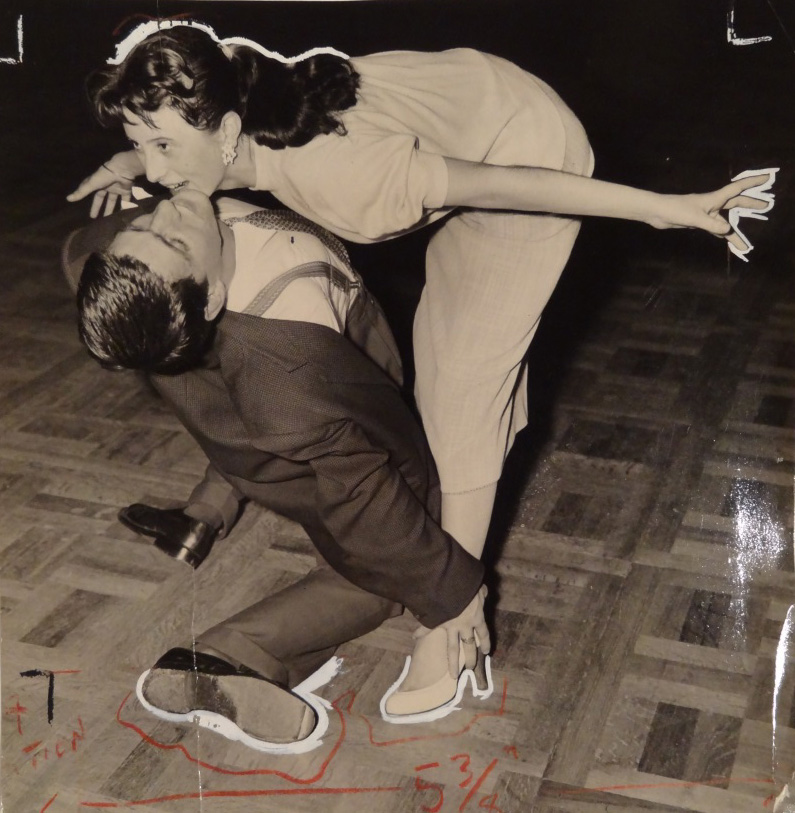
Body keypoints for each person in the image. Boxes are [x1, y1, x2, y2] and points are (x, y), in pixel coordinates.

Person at [67, 20, 769, 717]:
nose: (154, 174)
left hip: (521, 147)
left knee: (459, 387)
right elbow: (187, 138)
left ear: (225, 132)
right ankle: (219, 511)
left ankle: (453, 624)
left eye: (164, 147)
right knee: (253, 357)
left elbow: (508, 184)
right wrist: (139, 155)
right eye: (141, 144)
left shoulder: (345, 176)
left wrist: (663, 208)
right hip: (447, 110)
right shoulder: (231, 115)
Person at [64, 188, 491, 744]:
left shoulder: (98, 254)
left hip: (277, 381)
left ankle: (206, 514)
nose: (166, 211)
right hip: (322, 378)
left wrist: (140, 161)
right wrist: (454, 590)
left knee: (242, 406)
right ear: (214, 296)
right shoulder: (290, 369)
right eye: (167, 237)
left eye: (144, 223)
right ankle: (221, 657)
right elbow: (365, 496)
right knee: (385, 562)